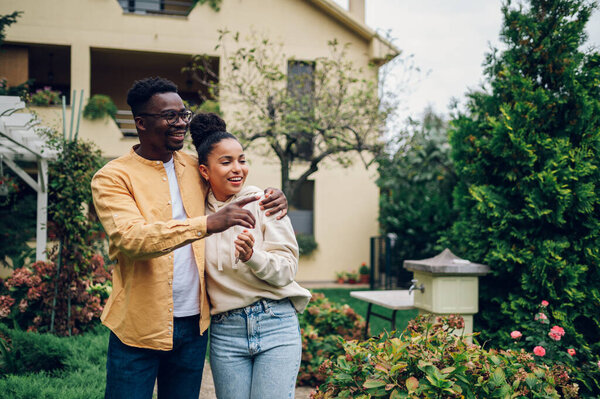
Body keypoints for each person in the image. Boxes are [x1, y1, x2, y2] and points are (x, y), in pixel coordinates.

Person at [91, 77, 288, 399]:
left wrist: (273, 195)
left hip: (194, 326)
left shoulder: (195, 166)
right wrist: (207, 224)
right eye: (170, 116)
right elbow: (132, 240)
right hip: (137, 327)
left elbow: (231, 186)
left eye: (184, 114)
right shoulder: (113, 176)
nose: (181, 122)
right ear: (141, 123)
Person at [189, 113, 311, 399]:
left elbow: (286, 271)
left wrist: (252, 256)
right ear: (205, 171)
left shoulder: (263, 202)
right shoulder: (196, 214)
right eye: (226, 161)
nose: (238, 169)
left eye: (242, 160)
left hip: (275, 323)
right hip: (225, 332)